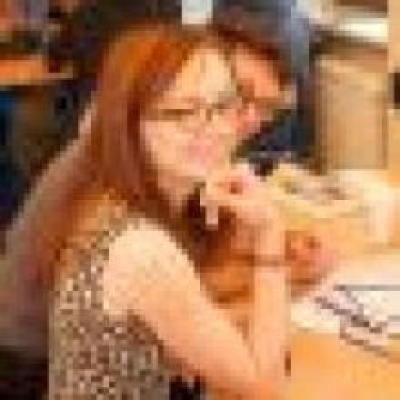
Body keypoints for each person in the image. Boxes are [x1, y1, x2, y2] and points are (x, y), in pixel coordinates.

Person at [3, 12, 330, 399]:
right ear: (131, 120)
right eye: (181, 112)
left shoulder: (144, 183)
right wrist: (270, 241)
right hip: (26, 357)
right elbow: (265, 386)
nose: (219, 127)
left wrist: (272, 259)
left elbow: (190, 276)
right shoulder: (136, 240)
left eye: (224, 104)